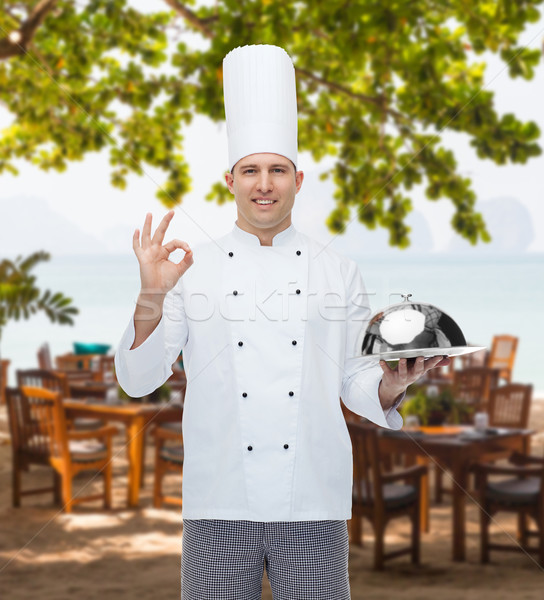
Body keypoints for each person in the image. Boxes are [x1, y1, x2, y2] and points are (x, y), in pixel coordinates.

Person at [115, 45, 448, 600]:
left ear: (299, 178)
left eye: (276, 170)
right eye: (251, 171)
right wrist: (151, 293)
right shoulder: (188, 271)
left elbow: (353, 379)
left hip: (312, 502)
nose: (263, 184)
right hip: (218, 503)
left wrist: (392, 384)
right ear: (230, 180)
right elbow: (137, 379)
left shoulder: (338, 269)